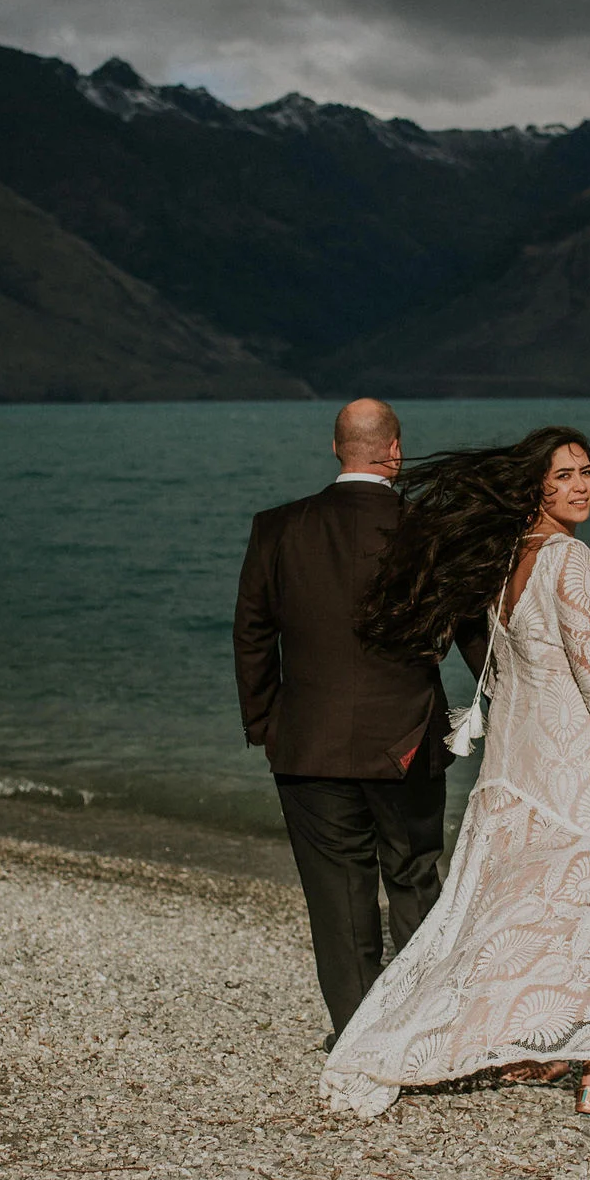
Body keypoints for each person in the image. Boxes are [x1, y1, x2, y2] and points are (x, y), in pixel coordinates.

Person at [319, 426, 590, 1118]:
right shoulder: (567, 560)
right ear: (534, 487)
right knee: (587, 909)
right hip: (572, 770)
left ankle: (514, 1046)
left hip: (516, 770)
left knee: (512, 912)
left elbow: (502, 671)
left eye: (587, 471)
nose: (581, 485)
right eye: (564, 474)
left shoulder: (512, 559)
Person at [233, 398, 486, 1044]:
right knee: (413, 883)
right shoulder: (429, 530)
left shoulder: (277, 528)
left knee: (339, 898)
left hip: (306, 744)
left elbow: (253, 634)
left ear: (337, 448)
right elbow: (473, 632)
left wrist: (267, 722)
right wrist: (502, 704)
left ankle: (360, 1038)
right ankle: (422, 1028)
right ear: (394, 450)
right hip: (405, 742)